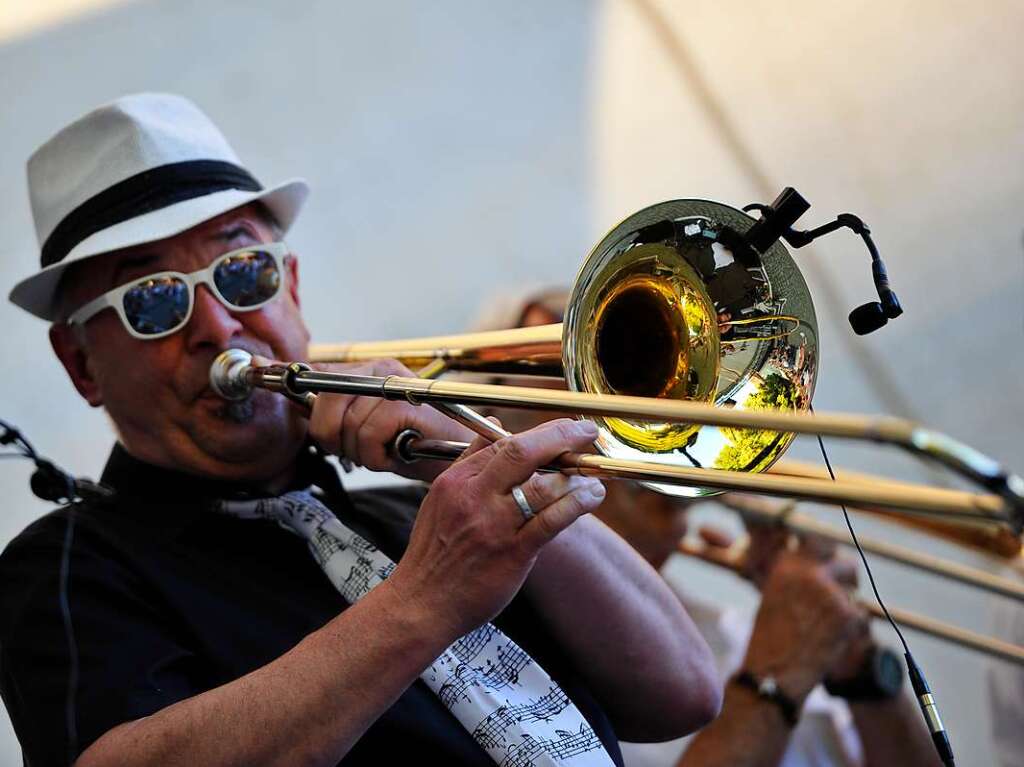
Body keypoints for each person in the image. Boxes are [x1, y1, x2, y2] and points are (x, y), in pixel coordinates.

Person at [0, 93, 722, 767]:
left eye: (242, 272)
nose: (218, 324)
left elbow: (685, 690)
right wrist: (425, 600)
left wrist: (471, 451)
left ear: (293, 289)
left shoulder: (418, 515)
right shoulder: (70, 564)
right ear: (81, 366)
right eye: (152, 302)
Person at [481, 289, 941, 767]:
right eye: (595, 417)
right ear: (525, 454)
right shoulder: (523, 667)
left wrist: (858, 670)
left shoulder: (721, 625)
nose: (649, 436)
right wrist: (779, 668)